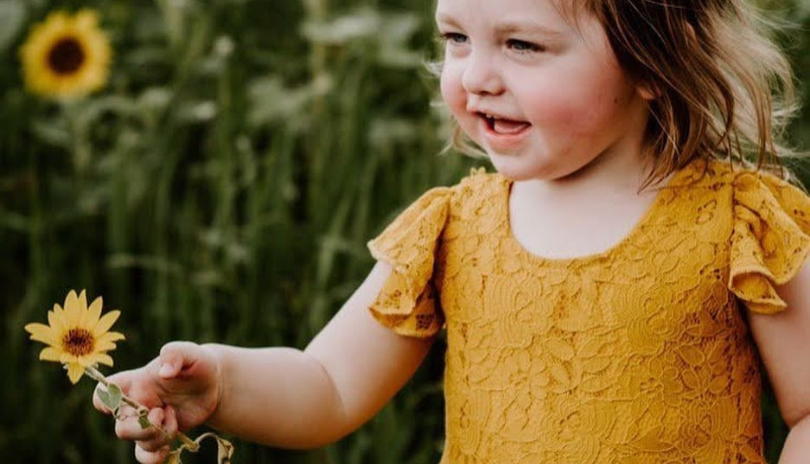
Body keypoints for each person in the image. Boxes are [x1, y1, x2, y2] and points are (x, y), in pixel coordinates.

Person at [94, 0, 810, 462]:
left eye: (522, 45)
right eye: (457, 38)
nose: (475, 78)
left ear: (653, 57)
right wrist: (223, 385)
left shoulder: (737, 223)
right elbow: (329, 385)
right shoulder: (451, 230)